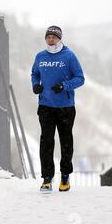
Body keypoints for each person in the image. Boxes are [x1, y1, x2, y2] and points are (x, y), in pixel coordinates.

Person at [31, 26, 85, 193]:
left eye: (54, 36)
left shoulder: (69, 56)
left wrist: (64, 86)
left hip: (65, 107)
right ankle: (47, 178)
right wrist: (35, 86)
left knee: (65, 142)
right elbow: (35, 74)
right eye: (48, 36)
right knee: (46, 141)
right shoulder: (40, 56)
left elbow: (80, 78)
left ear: (60, 39)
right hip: (45, 106)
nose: (51, 39)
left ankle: (65, 176)